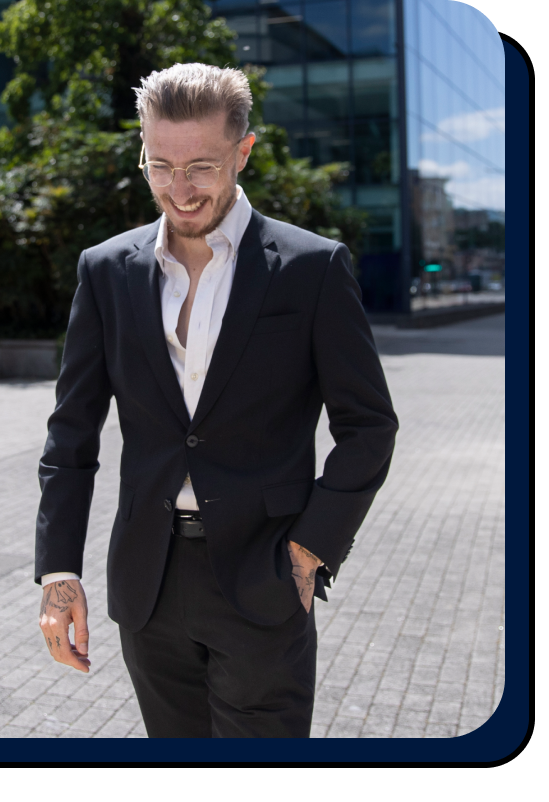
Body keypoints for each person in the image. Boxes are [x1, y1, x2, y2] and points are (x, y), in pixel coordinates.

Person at [35, 64, 398, 738]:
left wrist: (308, 550)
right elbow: (71, 434)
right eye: (160, 165)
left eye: (200, 166)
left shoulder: (313, 268)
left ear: (243, 151)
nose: (179, 189)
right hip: (148, 584)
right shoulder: (106, 270)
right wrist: (59, 574)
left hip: (263, 579)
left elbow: (369, 427)